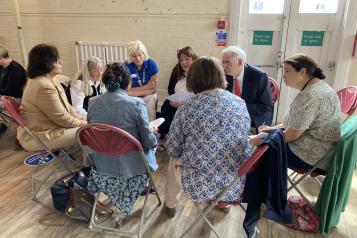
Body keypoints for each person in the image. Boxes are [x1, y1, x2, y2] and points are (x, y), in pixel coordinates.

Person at [164, 56, 251, 217]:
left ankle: (170, 203)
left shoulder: (187, 107)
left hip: (199, 185)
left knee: (173, 159)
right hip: (235, 183)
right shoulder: (240, 103)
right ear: (220, 75)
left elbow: (173, 148)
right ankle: (223, 204)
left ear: (193, 79)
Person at [86, 62, 158, 221]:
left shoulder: (92, 103)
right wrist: (153, 134)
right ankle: (145, 186)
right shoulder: (137, 104)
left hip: (101, 169)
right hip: (131, 171)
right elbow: (148, 142)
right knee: (151, 144)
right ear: (128, 83)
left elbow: (93, 132)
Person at [256, 53, 341, 173]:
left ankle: (264, 191)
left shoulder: (310, 95)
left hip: (311, 156)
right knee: (262, 141)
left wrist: (265, 140)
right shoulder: (321, 87)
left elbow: (292, 135)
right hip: (322, 152)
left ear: (302, 72)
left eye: (287, 71)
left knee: (259, 150)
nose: (283, 76)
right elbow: (295, 124)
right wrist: (271, 129)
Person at [17, 43, 86, 151]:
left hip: (49, 128)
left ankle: (87, 164)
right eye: (57, 61)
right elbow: (63, 119)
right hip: (38, 136)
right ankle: (87, 166)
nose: (61, 63)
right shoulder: (42, 86)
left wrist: (82, 120)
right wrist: (85, 124)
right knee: (90, 131)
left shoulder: (51, 80)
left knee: (89, 125)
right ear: (47, 64)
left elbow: (68, 107)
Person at [222, 45, 273, 129]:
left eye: (227, 62)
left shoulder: (259, 76)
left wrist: (238, 106)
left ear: (240, 62)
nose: (224, 66)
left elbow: (266, 107)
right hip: (228, 119)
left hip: (250, 119)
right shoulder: (223, 75)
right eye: (223, 62)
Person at [157, 46, 198, 150]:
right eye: (181, 60)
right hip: (178, 101)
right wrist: (174, 100)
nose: (184, 63)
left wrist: (185, 103)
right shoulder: (176, 71)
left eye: (187, 59)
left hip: (194, 104)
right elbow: (170, 89)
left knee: (174, 109)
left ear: (193, 59)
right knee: (167, 104)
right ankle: (163, 135)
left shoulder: (200, 73)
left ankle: (163, 135)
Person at [125, 40, 159, 121]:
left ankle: (150, 129)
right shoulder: (126, 66)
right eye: (134, 56)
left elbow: (153, 90)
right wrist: (147, 87)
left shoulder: (152, 64)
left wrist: (134, 91)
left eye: (139, 55)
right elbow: (127, 90)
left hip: (148, 96)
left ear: (144, 54)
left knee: (151, 99)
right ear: (130, 56)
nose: (137, 58)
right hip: (132, 96)